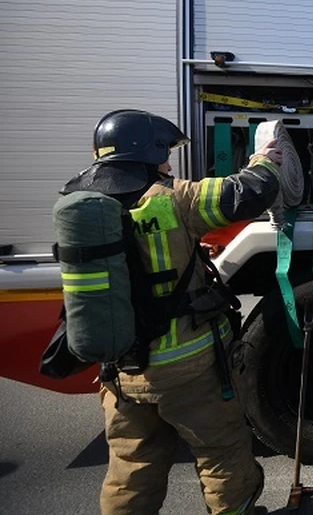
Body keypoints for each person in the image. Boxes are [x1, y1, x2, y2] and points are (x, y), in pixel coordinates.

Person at [60, 109, 281, 515]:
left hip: (120, 370)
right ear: (148, 150)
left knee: (131, 467)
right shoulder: (173, 199)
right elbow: (251, 191)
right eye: (165, 153)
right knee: (222, 454)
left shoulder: (81, 207)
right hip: (188, 371)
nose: (169, 163)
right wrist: (265, 157)